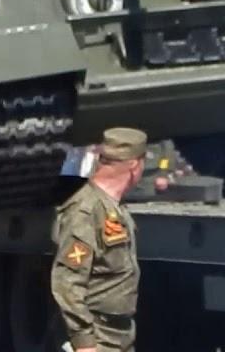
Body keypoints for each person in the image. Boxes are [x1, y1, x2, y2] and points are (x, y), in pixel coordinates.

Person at [51, 127, 147, 352]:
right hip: (97, 337)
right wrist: (84, 342)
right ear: (134, 166)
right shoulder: (85, 211)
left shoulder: (113, 208)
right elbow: (67, 282)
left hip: (118, 335)